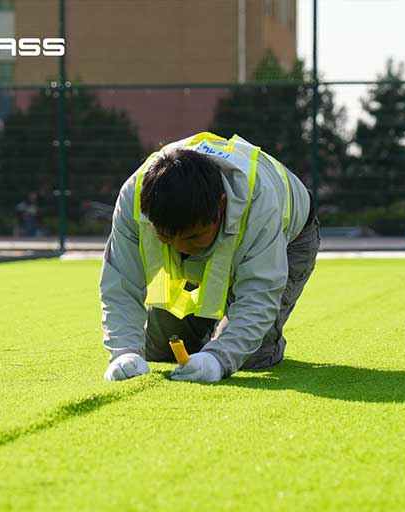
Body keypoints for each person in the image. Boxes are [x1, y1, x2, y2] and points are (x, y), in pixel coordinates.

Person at [100, 132, 320, 383]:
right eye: (165, 238)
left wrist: (219, 357)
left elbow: (260, 293)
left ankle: (225, 338)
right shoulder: (135, 197)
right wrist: (124, 352)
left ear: (222, 206)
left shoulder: (260, 203)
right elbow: (120, 281)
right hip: (223, 230)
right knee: (162, 349)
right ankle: (211, 333)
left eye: (193, 237)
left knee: (250, 356)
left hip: (291, 237)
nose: (182, 249)